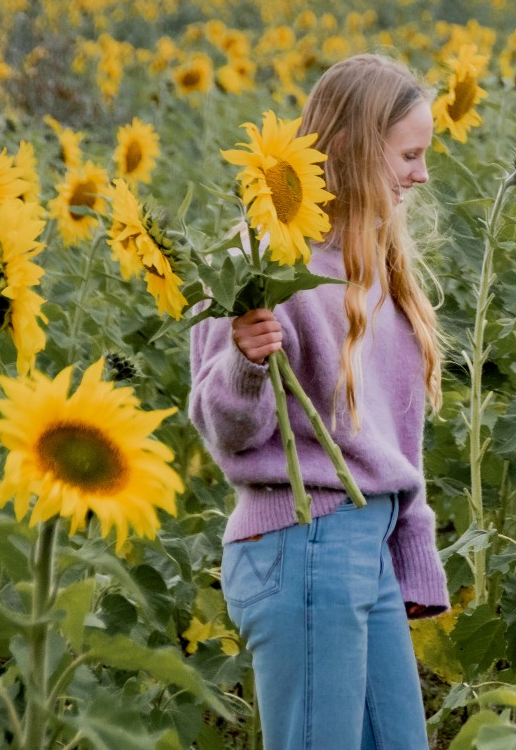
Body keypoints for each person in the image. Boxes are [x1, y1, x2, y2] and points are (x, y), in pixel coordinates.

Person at [189, 54, 445, 750]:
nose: (421, 174)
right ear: (359, 151)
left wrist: (411, 548)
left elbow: (396, 435)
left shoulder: (375, 265)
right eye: (410, 155)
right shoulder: (261, 259)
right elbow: (226, 429)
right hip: (303, 542)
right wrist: (245, 359)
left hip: (368, 543)